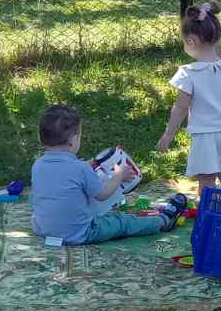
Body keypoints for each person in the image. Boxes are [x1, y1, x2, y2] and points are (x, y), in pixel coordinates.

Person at [33, 104, 185, 244]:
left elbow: (61, 179)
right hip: (79, 233)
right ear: (73, 140)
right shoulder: (80, 169)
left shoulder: (38, 165)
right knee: (121, 222)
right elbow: (102, 194)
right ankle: (163, 221)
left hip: (44, 230)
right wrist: (119, 175)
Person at [157, 1, 221, 193]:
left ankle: (207, 207)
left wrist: (168, 135)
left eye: (184, 41)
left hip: (205, 135)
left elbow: (180, 108)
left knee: (206, 178)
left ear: (191, 41)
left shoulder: (189, 72)